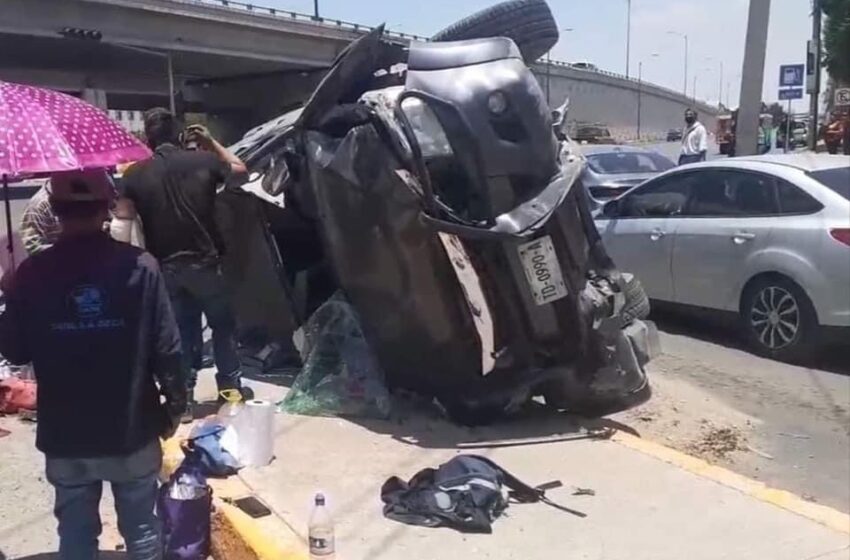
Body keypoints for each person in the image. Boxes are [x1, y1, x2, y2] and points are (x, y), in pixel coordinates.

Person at [0, 169, 186, 560]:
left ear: (54, 209)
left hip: (66, 435)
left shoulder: (31, 274)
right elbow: (167, 348)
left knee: (76, 535)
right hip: (131, 428)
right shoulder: (141, 266)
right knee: (142, 532)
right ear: (106, 208)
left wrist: (13, 293)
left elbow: (14, 352)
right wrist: (174, 405)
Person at [114, 108, 250, 413]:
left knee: (183, 332)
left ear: (148, 140)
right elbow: (242, 171)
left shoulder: (134, 174)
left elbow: (121, 223)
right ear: (180, 135)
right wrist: (211, 142)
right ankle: (230, 392)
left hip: (165, 267)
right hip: (206, 263)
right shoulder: (204, 160)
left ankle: (184, 399)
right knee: (223, 328)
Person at [19, 180, 61, 255]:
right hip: (52, 262)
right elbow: (32, 246)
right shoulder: (38, 204)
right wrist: (64, 250)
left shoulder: (72, 196)